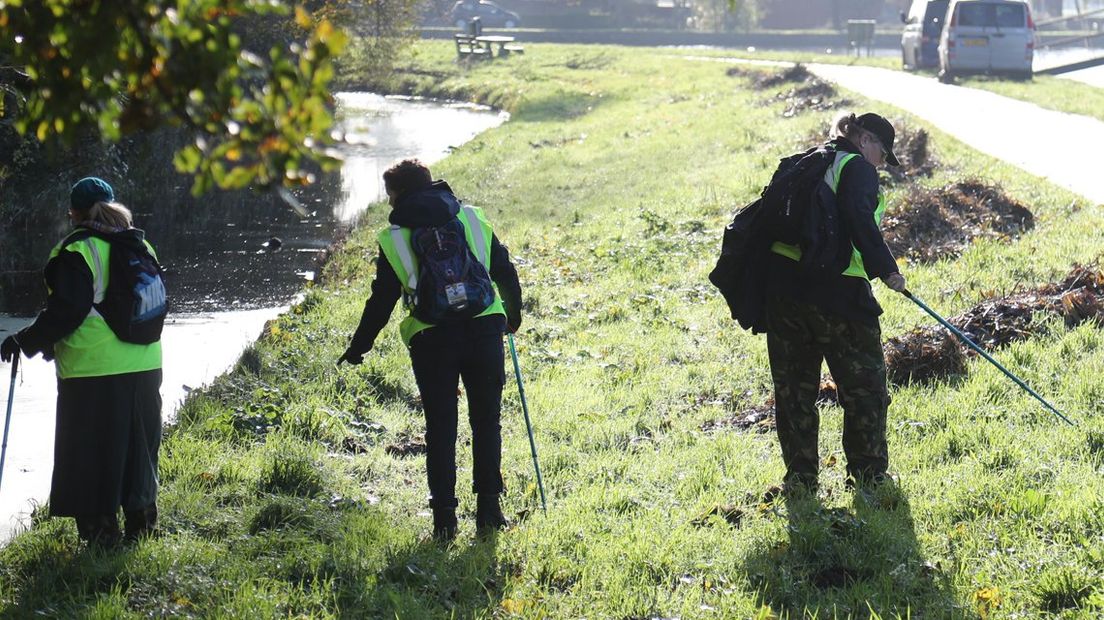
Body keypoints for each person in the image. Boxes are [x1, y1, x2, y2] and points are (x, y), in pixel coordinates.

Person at [339, 159, 522, 541]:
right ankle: (490, 512)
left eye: (390, 196)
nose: (389, 204)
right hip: (485, 327)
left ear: (400, 194)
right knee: (486, 421)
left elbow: (382, 301)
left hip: (432, 337)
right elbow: (505, 271)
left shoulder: (393, 238)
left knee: (441, 428)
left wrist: (359, 346)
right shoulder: (471, 219)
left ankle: (444, 522)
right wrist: (511, 316)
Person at [0, 177, 163, 546]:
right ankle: (143, 530)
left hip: (94, 371)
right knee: (139, 452)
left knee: (91, 455)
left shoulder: (76, 251)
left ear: (73, 212)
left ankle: (102, 540)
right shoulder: (141, 244)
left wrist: (24, 341)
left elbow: (68, 311)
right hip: (147, 364)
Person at [763, 112, 907, 496]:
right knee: (866, 388)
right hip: (837, 295)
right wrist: (887, 271)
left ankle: (800, 481)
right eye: (883, 152)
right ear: (864, 139)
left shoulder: (809, 161)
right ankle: (869, 476)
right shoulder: (856, 167)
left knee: (794, 392)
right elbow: (860, 219)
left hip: (783, 294)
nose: (881, 162)